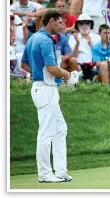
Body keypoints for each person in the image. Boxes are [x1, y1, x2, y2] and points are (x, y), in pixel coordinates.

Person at [20, 10, 76, 183]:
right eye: (60, 22)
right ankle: (44, 173)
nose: (62, 25)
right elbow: (52, 68)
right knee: (46, 133)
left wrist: (39, 74)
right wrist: (68, 75)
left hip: (44, 88)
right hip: (45, 90)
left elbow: (24, 64)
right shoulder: (45, 40)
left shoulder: (33, 38)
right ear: (51, 22)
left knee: (60, 129)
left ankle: (60, 171)